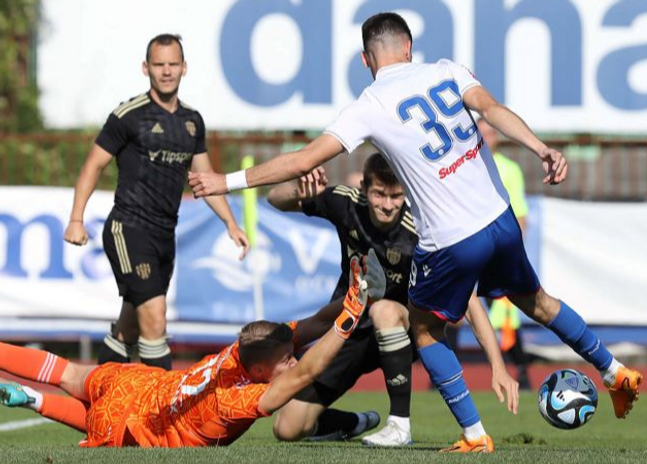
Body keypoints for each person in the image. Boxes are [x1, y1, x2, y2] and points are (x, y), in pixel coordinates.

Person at [189, 12, 643, 453]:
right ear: (409, 48)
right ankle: (615, 371)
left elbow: (304, 160)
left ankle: (473, 434)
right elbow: (492, 109)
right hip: (500, 218)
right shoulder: (447, 70)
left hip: (450, 238)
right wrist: (541, 148)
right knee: (538, 303)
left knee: (425, 331)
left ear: (366, 61)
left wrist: (223, 182)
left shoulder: (371, 104)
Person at [0, 250, 384, 448]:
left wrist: (357, 296)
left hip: (133, 385)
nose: (293, 358)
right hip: (130, 427)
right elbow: (308, 373)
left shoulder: (242, 349)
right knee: (102, 421)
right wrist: (350, 314)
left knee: (67, 373)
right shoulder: (235, 402)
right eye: (286, 359)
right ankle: (35, 400)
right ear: (261, 372)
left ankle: (33, 394)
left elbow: (313, 326)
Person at [266, 154, 518, 447]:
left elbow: (471, 303)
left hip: (404, 330)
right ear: (363, 188)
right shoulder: (345, 204)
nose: (387, 204)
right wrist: (299, 191)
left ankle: (399, 425)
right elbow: (274, 199)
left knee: (383, 309)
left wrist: (497, 365)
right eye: (379, 194)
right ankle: (354, 422)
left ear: (406, 193)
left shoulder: (424, 231)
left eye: (396, 195)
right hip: (350, 330)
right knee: (286, 427)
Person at [62, 34, 249, 370]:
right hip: (128, 229)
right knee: (156, 320)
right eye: (159, 64)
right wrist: (76, 218)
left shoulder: (193, 122)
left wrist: (230, 223)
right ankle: (161, 415)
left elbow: (205, 178)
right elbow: (93, 165)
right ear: (145, 68)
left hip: (165, 235)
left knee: (130, 327)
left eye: (172, 64)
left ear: (184, 68)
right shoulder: (128, 115)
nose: (166, 71)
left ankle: (96, 397)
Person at [477, 119, 532, 390]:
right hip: (469, 247)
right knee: (454, 305)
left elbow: (520, 213)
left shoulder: (510, 170)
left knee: (507, 311)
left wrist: (512, 251)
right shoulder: (466, 165)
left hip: (498, 250)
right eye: (481, 132)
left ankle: (521, 370)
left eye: (490, 132)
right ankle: (438, 379)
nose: (486, 137)